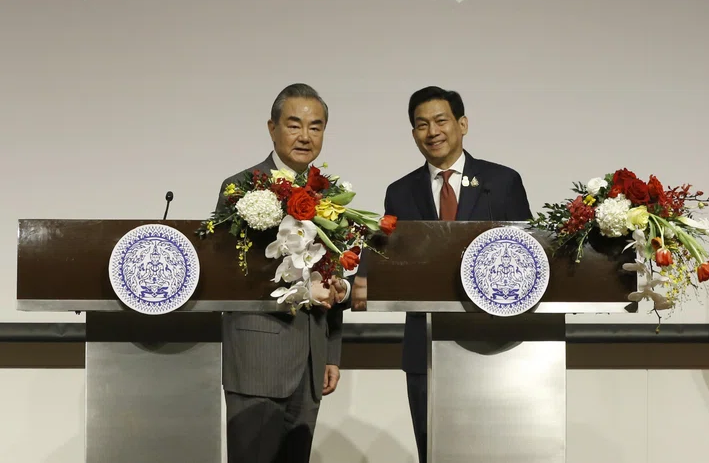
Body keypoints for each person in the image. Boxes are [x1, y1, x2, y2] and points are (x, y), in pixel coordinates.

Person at [355, 86, 532, 462]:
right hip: (426, 345)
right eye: (421, 125)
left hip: (493, 343)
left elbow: (530, 258)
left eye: (440, 121)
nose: (432, 132)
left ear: (462, 124)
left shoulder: (502, 182)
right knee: (432, 450)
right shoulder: (400, 192)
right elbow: (390, 260)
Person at [216, 83, 350, 463]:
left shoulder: (329, 194)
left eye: (316, 126)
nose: (305, 136)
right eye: (294, 125)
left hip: (310, 360)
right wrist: (307, 288)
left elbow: (332, 267)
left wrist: (331, 352)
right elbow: (235, 270)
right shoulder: (241, 187)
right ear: (272, 128)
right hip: (258, 359)